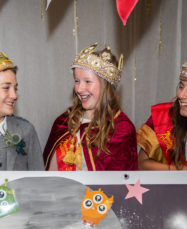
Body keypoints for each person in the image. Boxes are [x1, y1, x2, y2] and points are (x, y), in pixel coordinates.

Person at [43, 43, 138, 171]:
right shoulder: (64, 122)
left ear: (105, 86)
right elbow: (50, 173)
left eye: (87, 81)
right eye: (77, 81)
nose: (79, 88)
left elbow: (122, 182)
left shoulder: (121, 129)